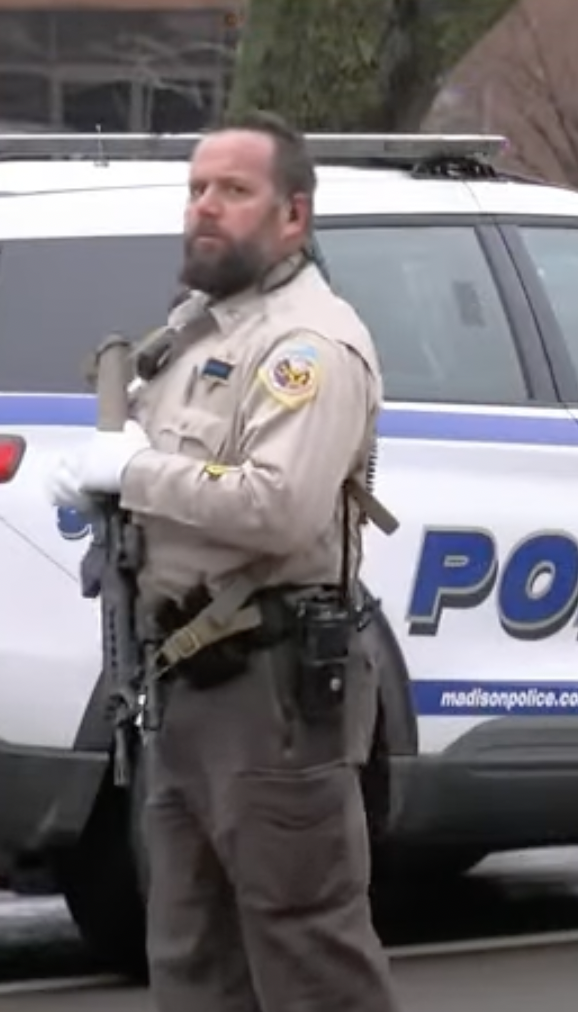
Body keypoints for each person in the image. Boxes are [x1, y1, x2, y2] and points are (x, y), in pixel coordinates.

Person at [47, 110, 400, 1012]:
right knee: (192, 958)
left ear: (293, 216)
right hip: (185, 682)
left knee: (307, 950)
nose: (206, 208)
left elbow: (279, 506)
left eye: (234, 191)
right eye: (198, 189)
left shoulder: (306, 344)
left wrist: (139, 470)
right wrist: (108, 484)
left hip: (272, 686)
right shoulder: (195, 333)